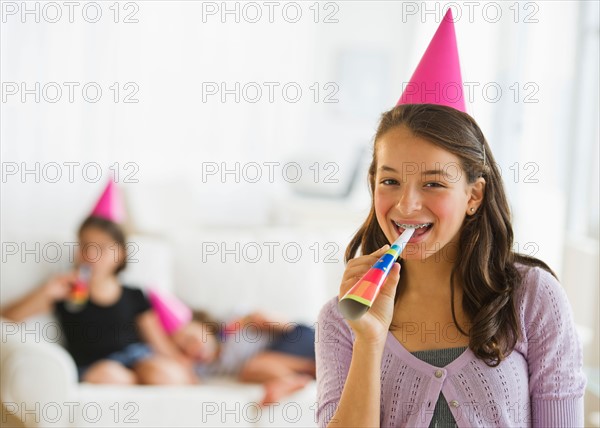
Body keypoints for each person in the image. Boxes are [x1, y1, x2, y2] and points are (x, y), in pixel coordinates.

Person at [315, 11, 586, 428]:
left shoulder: (532, 298)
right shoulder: (341, 319)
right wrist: (369, 340)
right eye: (390, 180)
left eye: (433, 183)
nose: (406, 206)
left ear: (473, 195)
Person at [1, 182, 196, 385]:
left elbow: (159, 344)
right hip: (95, 367)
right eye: (85, 246)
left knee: (162, 372)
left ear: (120, 255)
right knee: (109, 375)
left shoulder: (134, 295)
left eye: (101, 248)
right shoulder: (65, 293)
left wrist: (184, 370)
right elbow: (6, 320)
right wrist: (46, 292)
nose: (91, 255)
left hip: (137, 359)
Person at [172, 310, 316, 405]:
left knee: (255, 365)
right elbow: (191, 385)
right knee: (250, 370)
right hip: (273, 361)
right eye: (184, 351)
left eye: (191, 340)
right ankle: (303, 373)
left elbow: (259, 317)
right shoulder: (206, 369)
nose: (192, 349)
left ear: (205, 327)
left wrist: (249, 321)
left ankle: (304, 371)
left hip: (295, 339)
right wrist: (183, 363)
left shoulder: (228, 326)